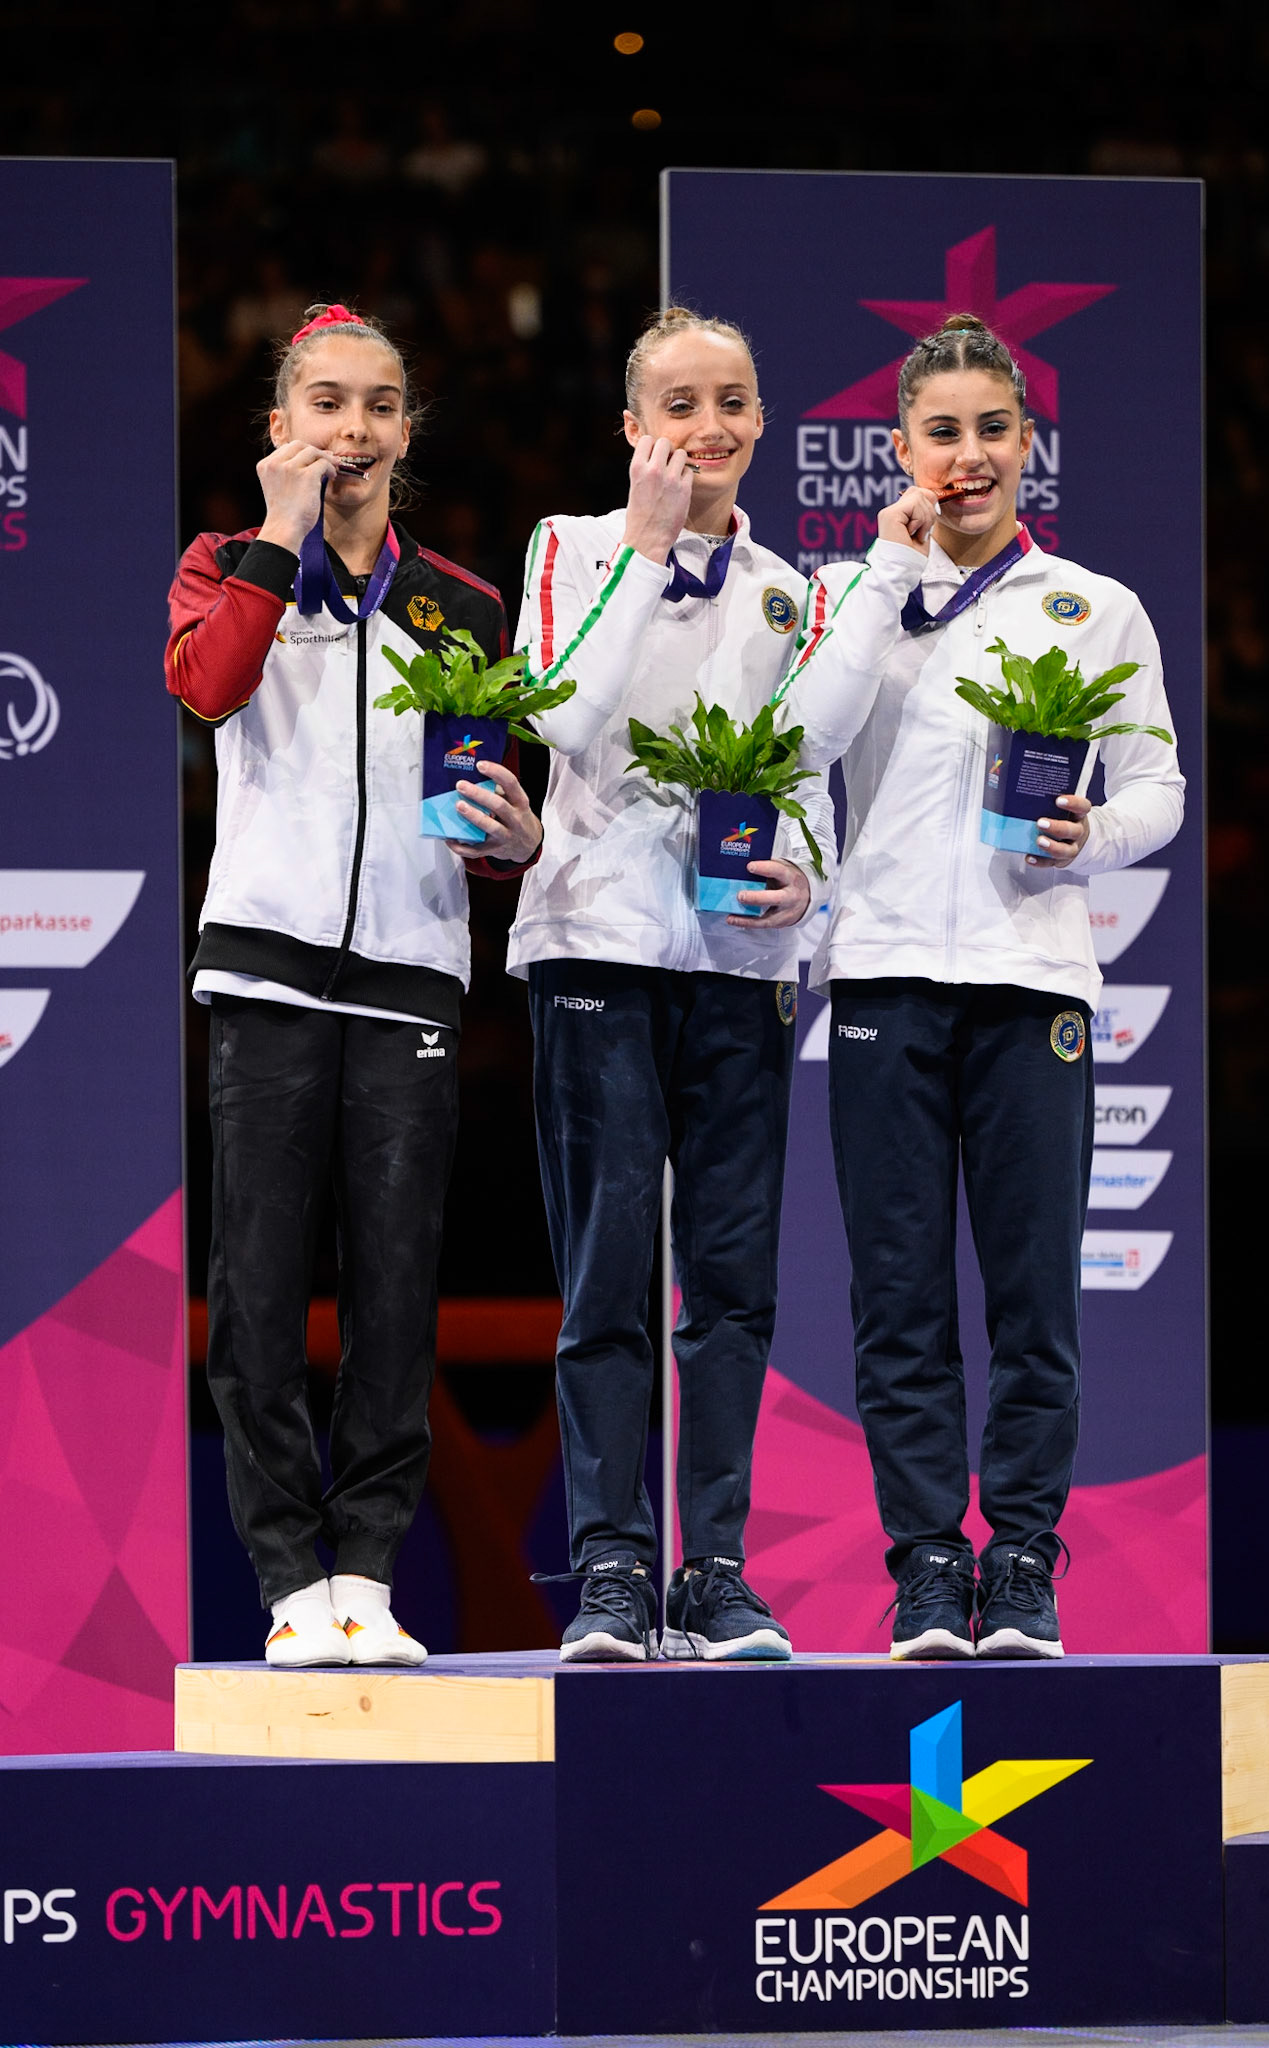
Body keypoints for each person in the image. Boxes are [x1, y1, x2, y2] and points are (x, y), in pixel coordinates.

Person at [779, 313, 1184, 1661]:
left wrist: (1095, 838)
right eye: (939, 433)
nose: (966, 456)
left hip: (1034, 981)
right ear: (898, 451)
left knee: (1032, 1302)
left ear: (1027, 447)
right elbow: (801, 741)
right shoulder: (851, 598)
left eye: (989, 430)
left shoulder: (1092, 604)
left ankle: (1019, 1559)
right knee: (896, 1299)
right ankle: (924, 1570)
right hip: (885, 973)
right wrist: (884, 576)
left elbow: (1155, 785)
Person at [165, 303, 543, 1668]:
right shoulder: (222, 566)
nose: (354, 429)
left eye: (379, 406)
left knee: (395, 1288)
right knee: (258, 1287)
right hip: (266, 974)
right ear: (283, 426)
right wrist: (274, 541)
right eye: (326, 403)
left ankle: (367, 1576)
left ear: (407, 429)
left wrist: (520, 842)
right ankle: (284, 1579)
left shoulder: (462, 603)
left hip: (409, 982)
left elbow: (480, 810)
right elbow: (207, 695)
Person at [508, 307, 835, 1662]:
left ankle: (711, 1570)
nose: (711, 427)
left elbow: (813, 778)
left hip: (735, 961)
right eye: (681, 405)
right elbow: (559, 719)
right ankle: (605, 1570)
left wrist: (808, 876)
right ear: (635, 428)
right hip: (593, 938)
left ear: (760, 421)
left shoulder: (792, 592)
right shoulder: (570, 548)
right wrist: (642, 555)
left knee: (732, 1281)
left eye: (734, 401)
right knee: (602, 1273)